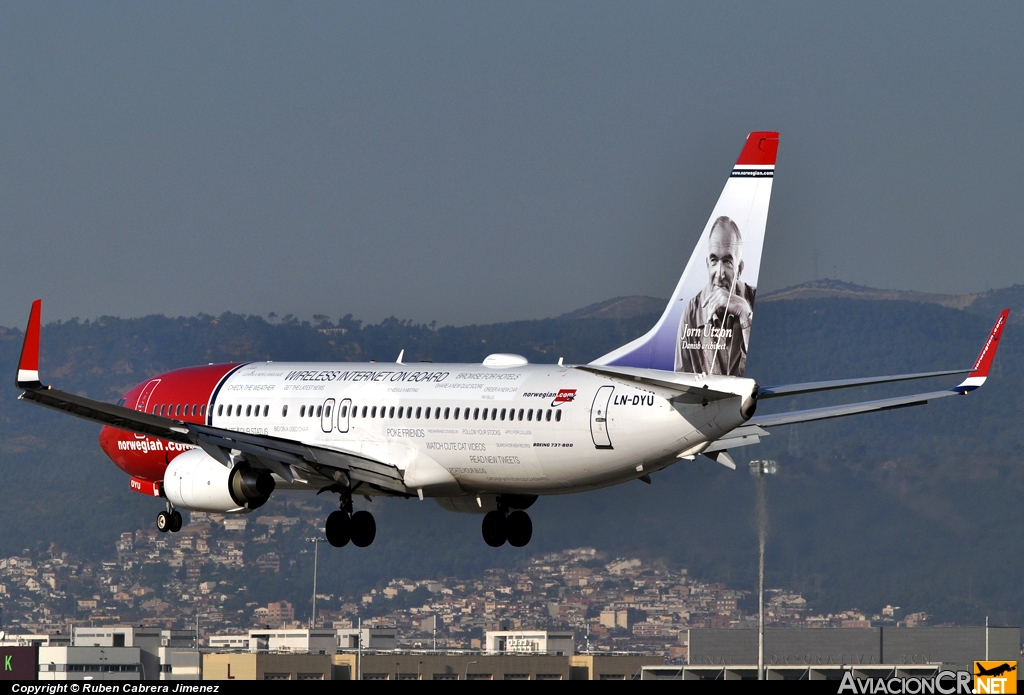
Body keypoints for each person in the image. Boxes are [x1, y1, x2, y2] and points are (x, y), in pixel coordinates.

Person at [676, 216, 756, 376]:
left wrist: (745, 316)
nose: (719, 274)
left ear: (739, 269)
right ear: (707, 265)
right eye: (714, 260)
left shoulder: (756, 300)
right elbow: (680, 381)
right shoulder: (692, 313)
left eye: (727, 262)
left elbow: (764, 366)